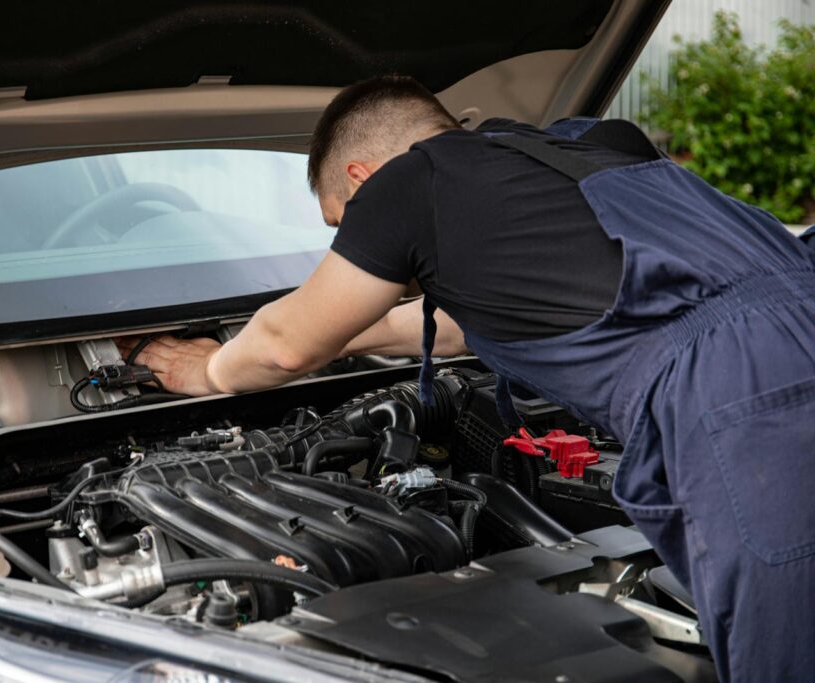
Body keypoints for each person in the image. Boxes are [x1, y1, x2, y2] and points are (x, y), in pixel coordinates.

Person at [122, 76, 815, 681]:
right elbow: (448, 324)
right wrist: (333, 334)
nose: (348, 236)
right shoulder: (584, 149)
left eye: (341, 221)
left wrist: (203, 369)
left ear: (362, 179)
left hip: (741, 394)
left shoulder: (409, 182)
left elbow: (282, 347)